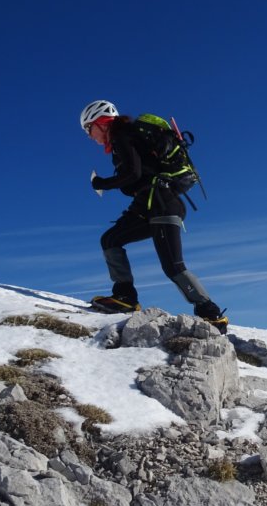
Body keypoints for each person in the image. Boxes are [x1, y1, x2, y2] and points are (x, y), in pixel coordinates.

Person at [80, 99, 228, 333]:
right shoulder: (126, 138)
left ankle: (211, 314)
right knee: (110, 239)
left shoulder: (122, 135)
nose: (89, 136)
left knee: (173, 266)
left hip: (162, 205)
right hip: (148, 206)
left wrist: (102, 183)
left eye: (89, 129)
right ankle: (125, 297)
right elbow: (138, 176)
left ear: (100, 122)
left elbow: (132, 173)